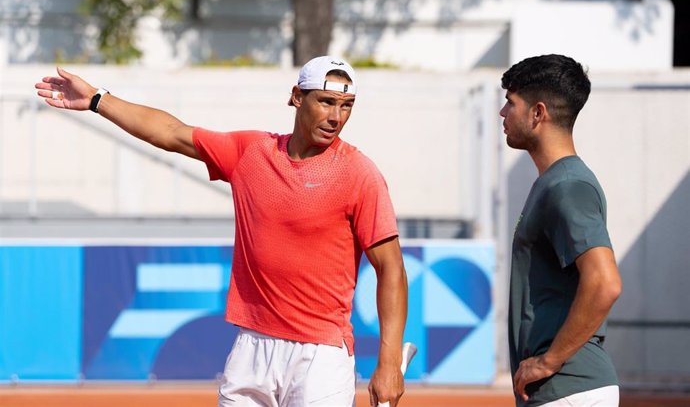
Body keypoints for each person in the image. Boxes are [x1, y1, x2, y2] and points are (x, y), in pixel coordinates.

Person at [35, 56, 408, 407]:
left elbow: (391, 269)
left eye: (346, 107)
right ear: (296, 97)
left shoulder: (360, 175)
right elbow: (171, 133)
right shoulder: (252, 152)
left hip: (321, 355)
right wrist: (99, 99)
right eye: (326, 102)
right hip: (251, 347)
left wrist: (389, 363)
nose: (336, 117)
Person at [500, 54, 622, 406]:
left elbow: (605, 282)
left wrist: (549, 361)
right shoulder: (555, 182)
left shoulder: (568, 186)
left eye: (511, 103)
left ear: (538, 113)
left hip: (570, 388)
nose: (502, 113)